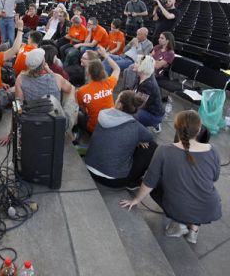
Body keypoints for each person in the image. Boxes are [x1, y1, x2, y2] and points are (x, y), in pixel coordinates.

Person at [121, 110, 222, 244]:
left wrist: (136, 199)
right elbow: (214, 178)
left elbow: (150, 182)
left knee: (158, 185)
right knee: (198, 189)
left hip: (180, 208)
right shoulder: (213, 150)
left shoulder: (164, 150)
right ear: (199, 130)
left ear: (176, 128)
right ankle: (193, 231)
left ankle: (179, 224)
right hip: (210, 208)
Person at [86, 90, 157, 188]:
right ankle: (133, 182)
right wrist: (138, 139)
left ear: (119, 105)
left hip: (89, 168)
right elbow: (149, 137)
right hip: (113, 180)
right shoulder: (136, 127)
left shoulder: (103, 113)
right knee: (152, 146)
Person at [15, 48, 78, 133]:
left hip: (33, 121)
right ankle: (71, 130)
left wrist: (13, 131)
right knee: (72, 89)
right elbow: (69, 88)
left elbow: (18, 105)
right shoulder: (56, 78)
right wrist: (50, 71)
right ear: (43, 64)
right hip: (56, 123)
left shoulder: (20, 79)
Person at [76, 47, 120, 134]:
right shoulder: (109, 82)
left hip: (94, 129)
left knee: (76, 113)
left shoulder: (81, 91)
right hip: (110, 124)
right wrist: (105, 55)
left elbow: (84, 111)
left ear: (88, 73)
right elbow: (117, 69)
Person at [134, 55, 165, 132]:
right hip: (153, 110)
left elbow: (139, 104)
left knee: (131, 114)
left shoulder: (148, 84)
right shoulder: (144, 76)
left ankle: (142, 130)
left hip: (154, 115)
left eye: (137, 62)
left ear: (143, 67)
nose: (134, 64)